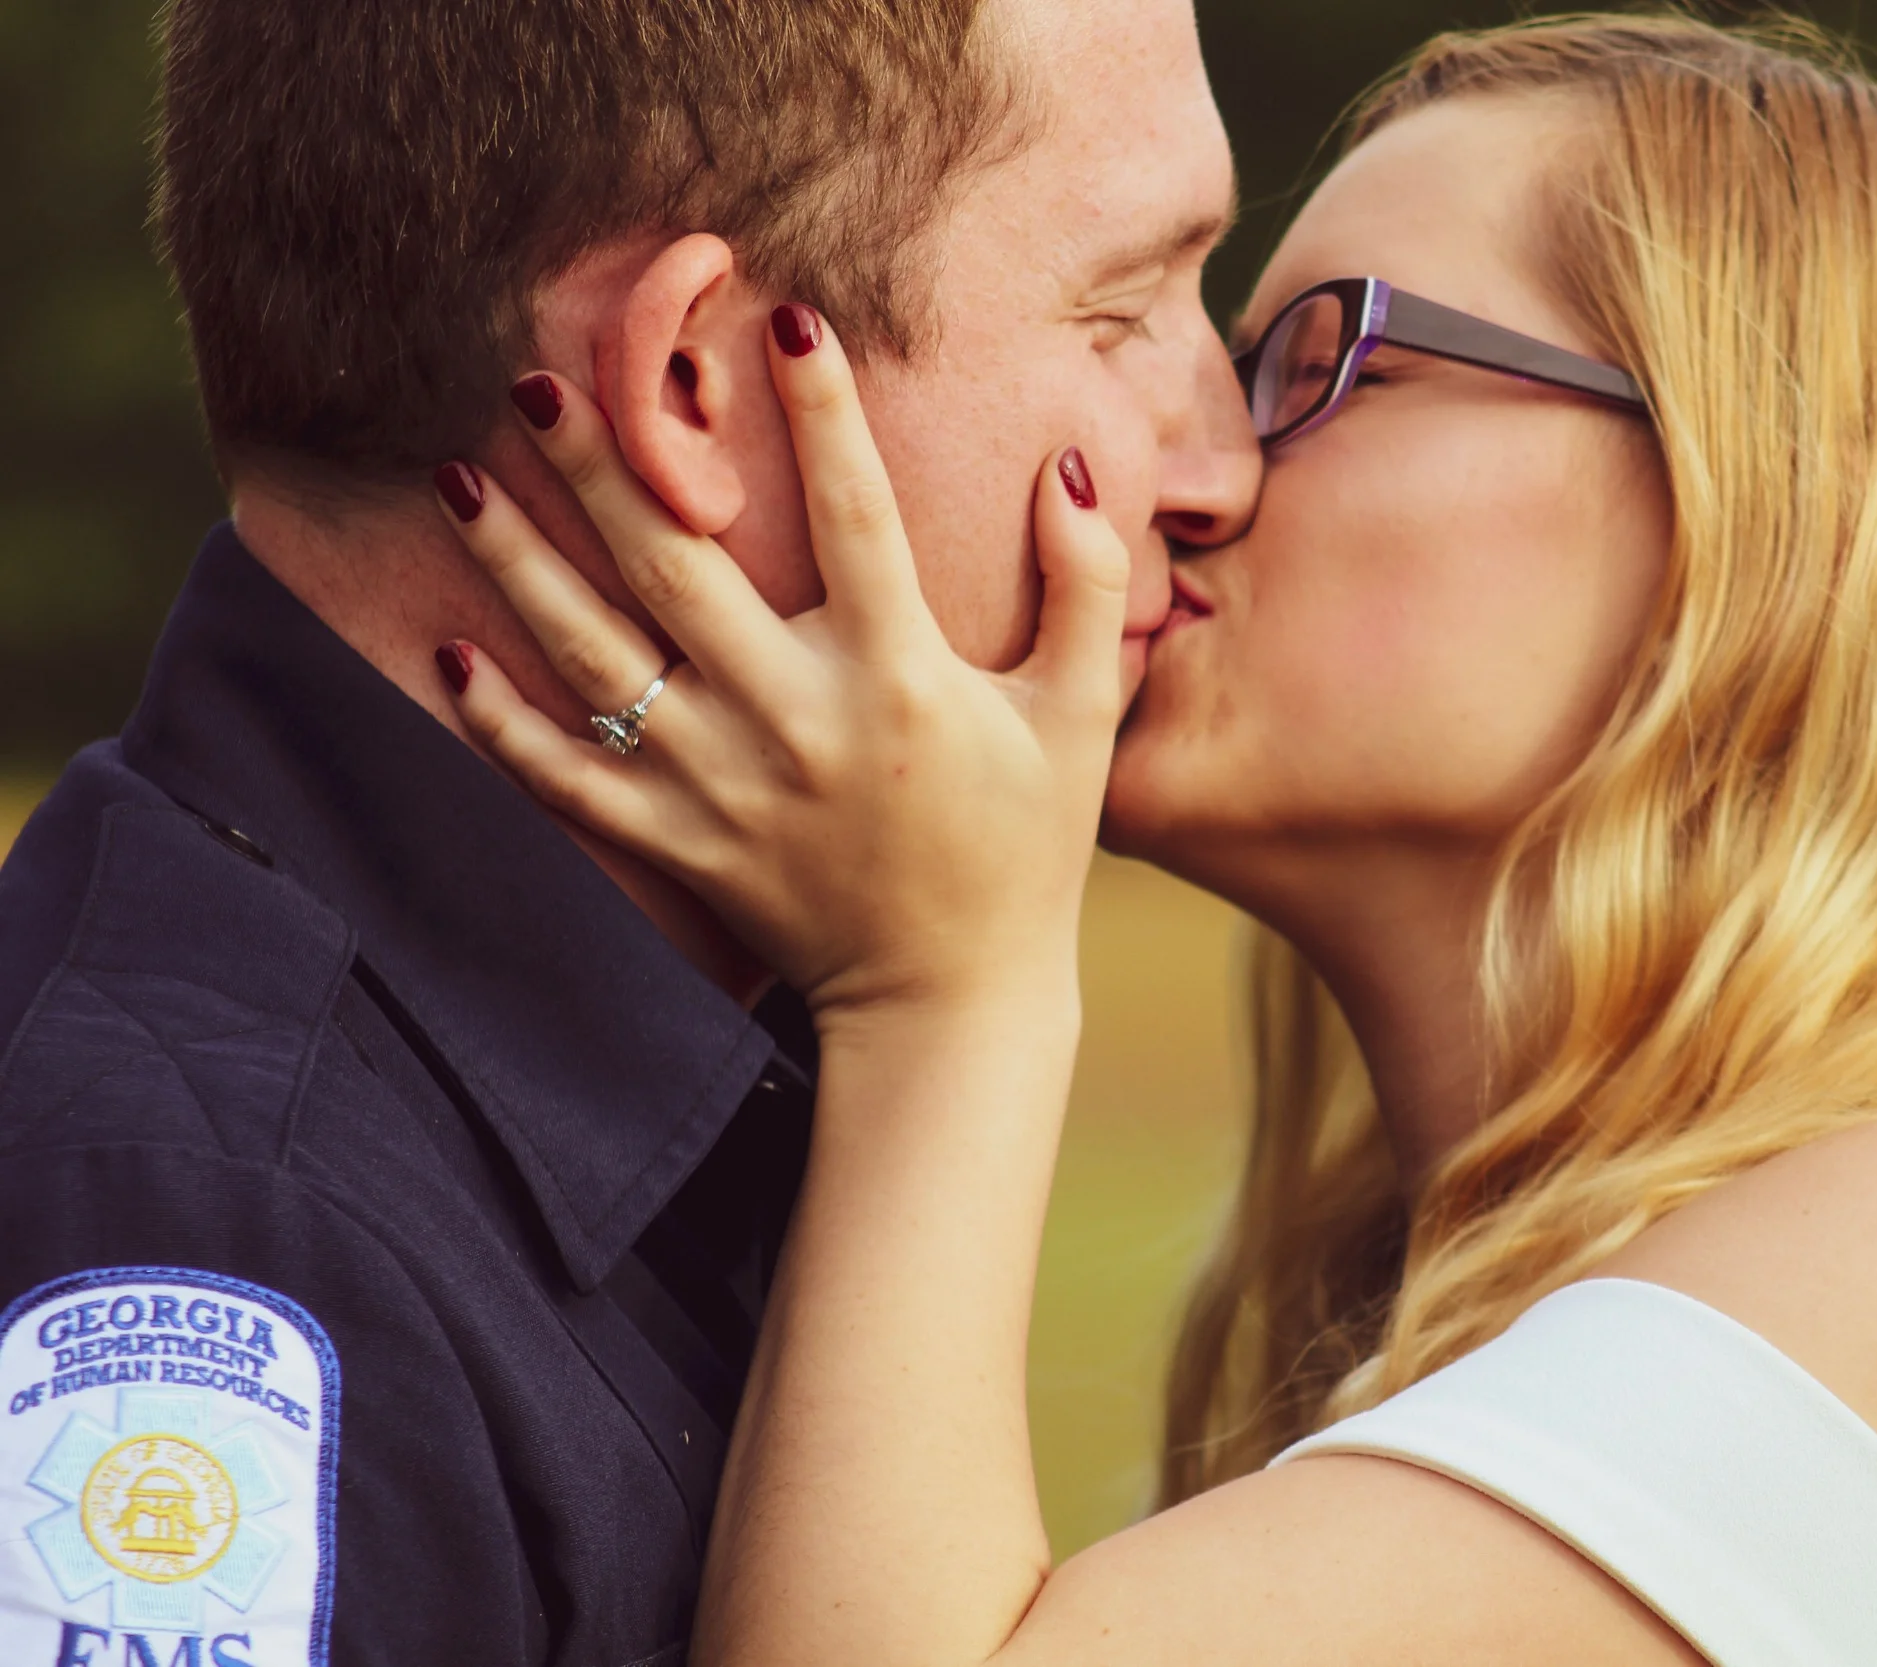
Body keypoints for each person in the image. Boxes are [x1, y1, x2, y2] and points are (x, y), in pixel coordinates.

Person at [433, 13, 1877, 1667]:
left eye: (1321, 361)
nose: (1200, 464)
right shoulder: (1531, 1305)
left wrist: (948, 991)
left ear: (1777, 512)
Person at [0, 2, 1255, 1664]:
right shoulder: (215, 1255)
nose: (1223, 461)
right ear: (688, 383)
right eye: (1122, 311)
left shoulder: (704, 1056)